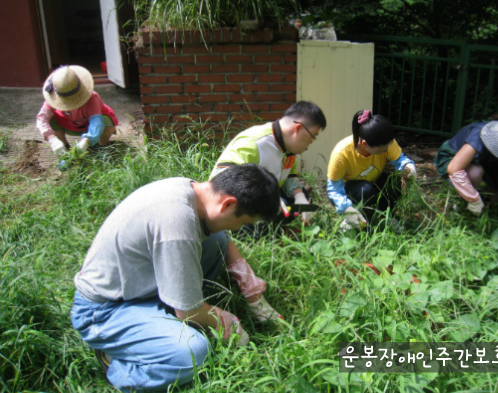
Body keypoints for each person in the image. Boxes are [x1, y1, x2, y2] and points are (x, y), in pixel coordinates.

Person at [70, 164, 282, 392]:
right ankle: (119, 364)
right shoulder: (177, 224)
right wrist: (227, 322)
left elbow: (223, 239)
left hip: (136, 286)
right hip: (103, 311)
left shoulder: (194, 191)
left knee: (217, 240)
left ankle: (166, 316)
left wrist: (249, 286)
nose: (238, 228)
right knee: (193, 352)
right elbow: (188, 312)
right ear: (228, 203)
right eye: (242, 222)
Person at [210, 100, 327, 226]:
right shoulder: (253, 143)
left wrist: (299, 196)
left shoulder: (289, 149)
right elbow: (220, 182)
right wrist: (264, 198)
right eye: (312, 137)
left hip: (269, 198)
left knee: (298, 195)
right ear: (298, 128)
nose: (310, 144)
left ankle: (273, 227)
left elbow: (289, 180)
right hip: (235, 205)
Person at [434, 104, 498, 227]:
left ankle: (489, 197)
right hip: (457, 159)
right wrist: (473, 199)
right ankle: (462, 202)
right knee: (474, 173)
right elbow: (454, 168)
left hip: (489, 161)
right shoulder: (480, 133)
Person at [327, 110, 416, 230]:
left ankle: (386, 215)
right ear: (365, 144)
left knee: (394, 181)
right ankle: (360, 221)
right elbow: (334, 191)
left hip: (373, 182)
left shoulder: (385, 142)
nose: (386, 152)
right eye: (381, 151)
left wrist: (407, 166)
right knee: (365, 190)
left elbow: (399, 160)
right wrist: (346, 208)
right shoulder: (341, 154)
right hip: (351, 191)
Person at [36, 65, 118, 159]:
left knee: (105, 120)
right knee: (52, 120)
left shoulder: (92, 97)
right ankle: (65, 153)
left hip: (90, 125)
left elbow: (97, 122)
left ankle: (102, 147)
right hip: (69, 124)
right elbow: (42, 118)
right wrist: (52, 139)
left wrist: (87, 140)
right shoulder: (53, 96)